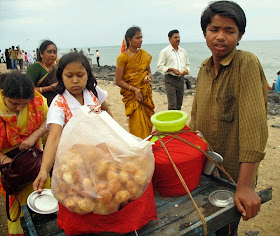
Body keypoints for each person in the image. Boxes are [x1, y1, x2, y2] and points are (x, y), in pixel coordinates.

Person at [33, 52, 156, 235]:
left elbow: (107, 114)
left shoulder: (93, 92)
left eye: (80, 75)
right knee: (84, 197)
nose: (75, 81)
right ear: (61, 77)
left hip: (103, 153)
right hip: (77, 162)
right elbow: (54, 137)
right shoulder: (59, 104)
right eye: (69, 76)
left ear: (88, 75)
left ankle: (122, 223)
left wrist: (120, 138)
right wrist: (44, 170)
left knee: (125, 184)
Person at [189, 1, 268, 235]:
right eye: (214, 30)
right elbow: (195, 120)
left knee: (225, 230)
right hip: (204, 171)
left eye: (229, 31)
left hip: (233, 175)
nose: (220, 37)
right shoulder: (203, 69)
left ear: (240, 35)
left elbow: (254, 127)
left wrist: (244, 185)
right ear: (205, 32)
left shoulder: (246, 63)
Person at [0, 72, 50, 235]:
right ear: (3, 94)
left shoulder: (37, 101)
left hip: (33, 160)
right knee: (16, 204)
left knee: (42, 196)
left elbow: (49, 120)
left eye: (24, 104)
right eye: (13, 103)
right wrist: (6, 161)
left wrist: (34, 136)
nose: (19, 108)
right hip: (8, 165)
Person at [115, 26, 155, 139]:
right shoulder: (122, 58)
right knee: (137, 126)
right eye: (138, 37)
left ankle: (147, 146)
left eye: (141, 37)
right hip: (133, 97)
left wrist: (147, 77)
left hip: (145, 94)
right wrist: (135, 90)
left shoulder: (144, 55)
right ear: (129, 40)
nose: (141, 40)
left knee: (147, 123)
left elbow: (149, 73)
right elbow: (118, 81)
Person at [157, 29, 190, 110]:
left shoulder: (183, 51)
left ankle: (177, 122)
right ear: (169, 39)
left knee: (179, 104)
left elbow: (187, 65)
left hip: (181, 79)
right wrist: (170, 69)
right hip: (170, 80)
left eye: (178, 37)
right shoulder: (165, 51)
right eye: (175, 37)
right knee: (172, 105)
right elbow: (159, 66)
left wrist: (186, 71)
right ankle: (171, 122)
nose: (178, 39)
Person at [26, 40, 58, 106]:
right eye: (49, 52)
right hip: (39, 105)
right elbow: (28, 90)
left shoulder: (57, 68)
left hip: (55, 104)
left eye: (54, 52)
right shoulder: (35, 67)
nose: (52, 55)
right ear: (41, 54)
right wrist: (49, 88)